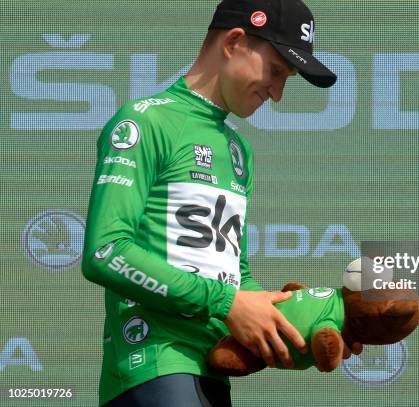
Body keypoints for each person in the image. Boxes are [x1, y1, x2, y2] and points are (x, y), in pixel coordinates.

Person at [82, 0, 358, 406]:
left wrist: (304, 324)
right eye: (277, 71)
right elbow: (105, 252)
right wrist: (228, 303)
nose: (278, 94)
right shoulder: (145, 122)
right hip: (155, 361)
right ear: (234, 42)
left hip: (211, 371)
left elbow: (234, 275)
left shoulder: (237, 149)